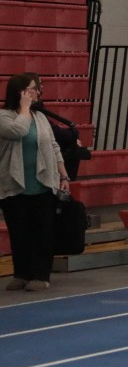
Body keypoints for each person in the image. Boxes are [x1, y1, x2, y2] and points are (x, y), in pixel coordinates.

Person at [0, 73, 71, 291]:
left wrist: (63, 175)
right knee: (19, 232)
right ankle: (22, 273)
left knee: (42, 231)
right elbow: (18, 131)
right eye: (32, 88)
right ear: (20, 92)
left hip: (42, 183)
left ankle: (41, 275)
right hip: (14, 185)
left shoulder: (39, 117)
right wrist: (24, 108)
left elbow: (53, 145)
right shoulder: (4, 117)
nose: (37, 92)